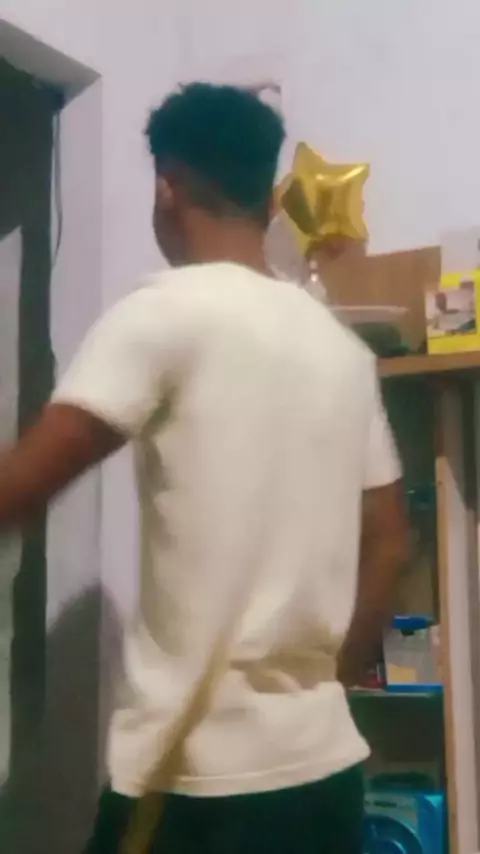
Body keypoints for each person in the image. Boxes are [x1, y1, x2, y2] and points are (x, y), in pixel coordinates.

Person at [0, 83, 408, 853]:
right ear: (267, 196)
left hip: (196, 782)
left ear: (167, 186)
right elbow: (389, 540)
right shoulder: (340, 350)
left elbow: (22, 488)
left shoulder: (163, 311)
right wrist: (324, 686)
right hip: (323, 776)